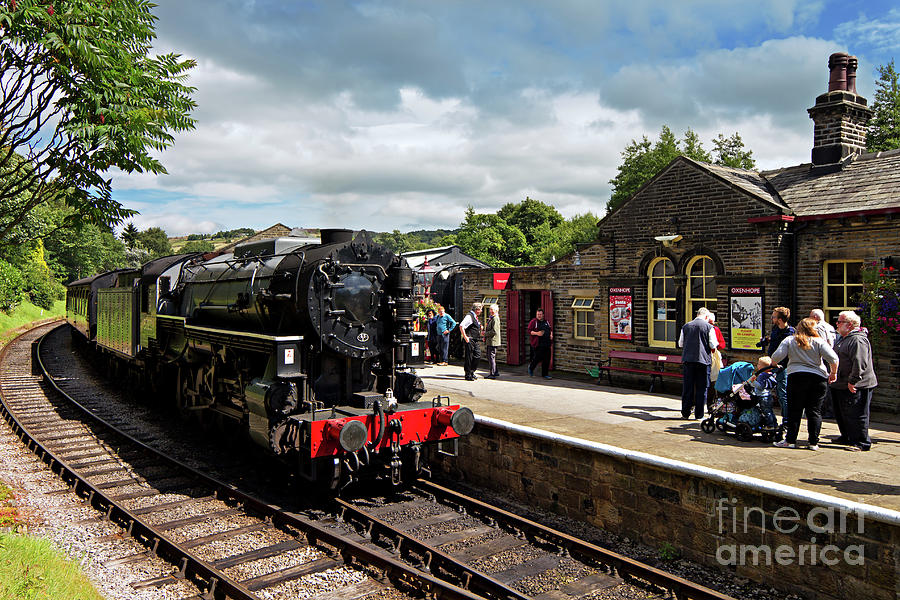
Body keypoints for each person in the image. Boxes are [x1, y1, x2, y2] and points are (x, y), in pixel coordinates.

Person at [772, 318, 838, 451]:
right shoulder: (819, 341)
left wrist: (774, 365)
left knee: (795, 410)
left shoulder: (790, 340)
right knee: (814, 411)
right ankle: (813, 442)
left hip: (796, 377)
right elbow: (834, 358)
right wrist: (833, 373)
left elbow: (776, 357)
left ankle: (790, 441)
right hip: (818, 379)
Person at [830, 310, 877, 451]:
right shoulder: (843, 338)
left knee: (857, 414)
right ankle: (847, 437)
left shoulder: (857, 339)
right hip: (841, 383)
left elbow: (860, 363)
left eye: (839, 322)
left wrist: (853, 381)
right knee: (842, 413)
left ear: (849, 325)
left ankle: (861, 442)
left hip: (857, 384)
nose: (836, 324)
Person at [678, 307, 718, 419]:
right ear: (706, 316)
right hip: (703, 361)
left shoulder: (686, 326)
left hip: (688, 361)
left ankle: (685, 412)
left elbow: (681, 344)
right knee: (702, 387)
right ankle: (699, 414)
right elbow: (713, 345)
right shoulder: (709, 327)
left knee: (688, 387)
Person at [762, 307, 795, 424]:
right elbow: (774, 339)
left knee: (782, 394)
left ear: (780, 319)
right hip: (771, 365)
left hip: (783, 367)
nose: (772, 318)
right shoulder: (775, 328)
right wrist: (766, 340)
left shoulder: (790, 332)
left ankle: (786, 420)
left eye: (774, 316)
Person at [809, 308, 837, 417]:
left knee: (824, 385)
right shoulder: (830, 327)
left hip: (824, 359)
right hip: (831, 358)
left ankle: (827, 410)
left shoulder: (818, 327)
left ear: (815, 317)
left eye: (810, 316)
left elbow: (822, 344)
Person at [706, 312, 727, 410]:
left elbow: (722, 344)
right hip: (708, 356)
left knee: (713, 381)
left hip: (713, 357)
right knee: (711, 381)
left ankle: (712, 404)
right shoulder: (712, 329)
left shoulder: (715, 329)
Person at [459, 302, 483, 380]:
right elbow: (461, 326)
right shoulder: (469, 316)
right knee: (469, 357)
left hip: (475, 339)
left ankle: (472, 371)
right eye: (480, 309)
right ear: (477, 309)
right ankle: (468, 374)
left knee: (477, 355)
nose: (481, 311)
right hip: (470, 339)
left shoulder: (474, 316)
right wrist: (465, 337)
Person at [527, 308, 553, 379]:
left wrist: (551, 334)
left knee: (547, 359)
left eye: (540, 314)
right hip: (538, 344)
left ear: (543, 315)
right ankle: (531, 368)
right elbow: (529, 331)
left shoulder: (546, 321)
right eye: (538, 314)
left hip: (547, 343)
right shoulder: (533, 322)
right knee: (538, 358)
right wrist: (537, 333)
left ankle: (545, 374)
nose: (539, 316)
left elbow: (550, 329)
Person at [484, 303, 501, 378]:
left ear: (496, 310)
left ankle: (493, 374)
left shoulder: (495, 319)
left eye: (492, 310)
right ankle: (495, 371)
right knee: (491, 357)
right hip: (490, 341)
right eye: (490, 309)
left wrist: (485, 333)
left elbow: (494, 331)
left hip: (493, 341)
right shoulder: (492, 318)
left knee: (491, 357)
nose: (491, 311)